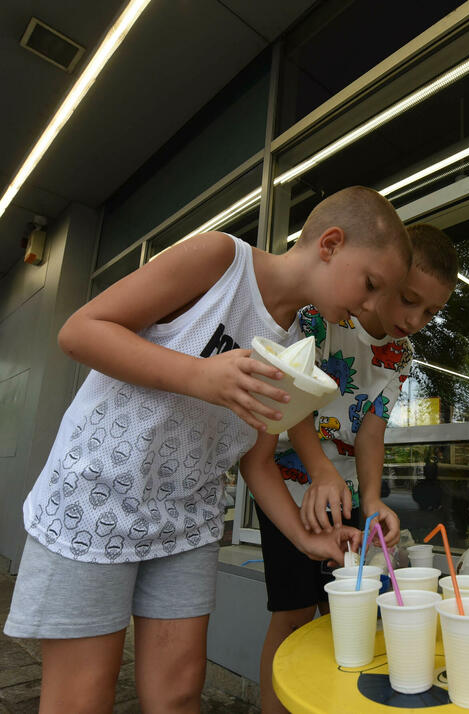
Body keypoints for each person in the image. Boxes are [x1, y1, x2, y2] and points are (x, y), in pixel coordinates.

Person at [3, 186, 411, 714]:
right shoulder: (222, 259)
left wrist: (305, 539)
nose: (372, 307)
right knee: (82, 697)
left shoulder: (296, 347)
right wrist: (200, 375)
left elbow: (257, 459)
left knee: (177, 694)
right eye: (371, 284)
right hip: (99, 494)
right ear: (330, 244)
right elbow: (80, 331)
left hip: (188, 515)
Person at [248, 224, 458, 714]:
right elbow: (293, 403)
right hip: (290, 481)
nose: (416, 319)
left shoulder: (401, 353)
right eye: (409, 300)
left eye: (431, 312)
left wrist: (372, 498)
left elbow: (371, 432)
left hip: (342, 488)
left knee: (344, 610)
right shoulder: (322, 316)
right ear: (385, 276)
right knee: (294, 611)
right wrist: (319, 468)